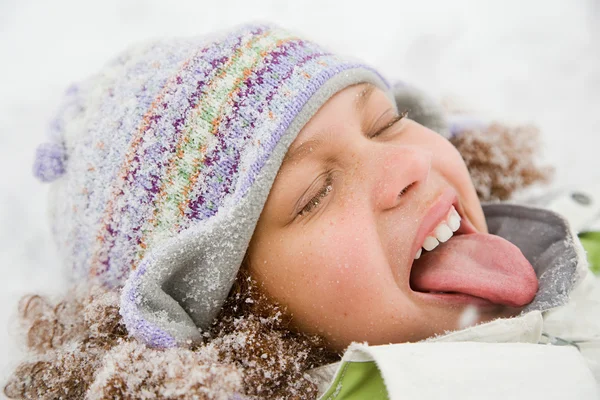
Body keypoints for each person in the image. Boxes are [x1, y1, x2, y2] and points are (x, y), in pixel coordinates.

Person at [5, 23, 600, 399]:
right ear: (241, 319)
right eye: (314, 193)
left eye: (386, 123)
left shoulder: (574, 235)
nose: (406, 168)